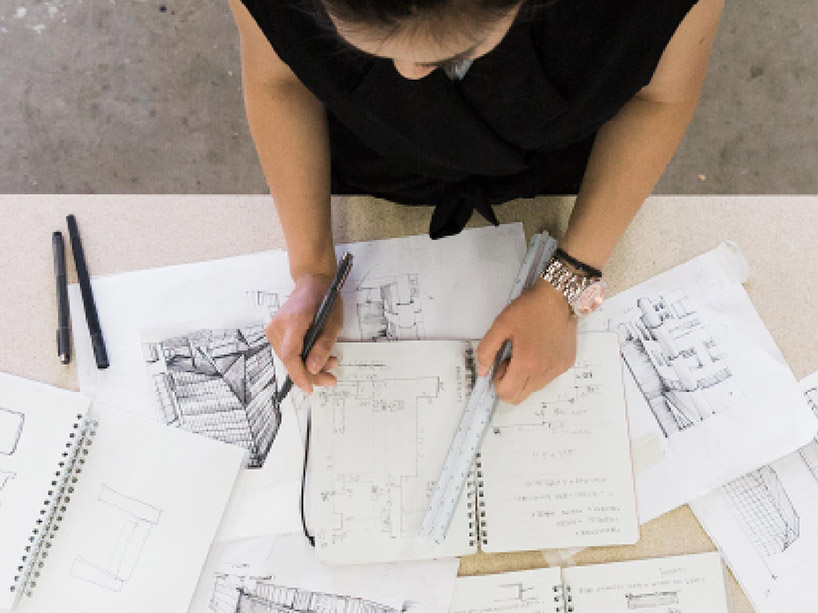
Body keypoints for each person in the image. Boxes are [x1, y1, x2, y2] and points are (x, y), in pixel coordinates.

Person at [228, 0, 723, 404]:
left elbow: (657, 100)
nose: (407, 73)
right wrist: (312, 268)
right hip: (378, 153)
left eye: (448, 53)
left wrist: (567, 284)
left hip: (556, 158)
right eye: (366, 46)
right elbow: (282, 79)